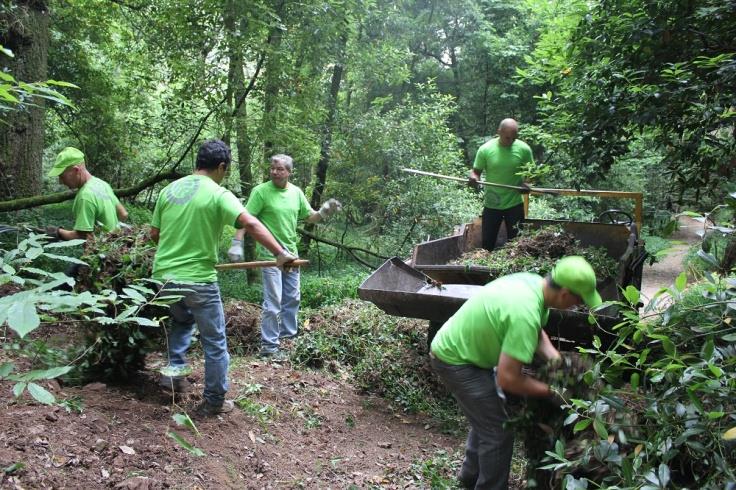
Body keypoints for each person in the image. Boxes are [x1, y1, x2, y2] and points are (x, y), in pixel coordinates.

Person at [430, 256, 602, 490]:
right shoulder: (525, 312)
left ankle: (469, 479)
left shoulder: (533, 285)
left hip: (468, 351)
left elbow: (537, 331)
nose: (576, 305)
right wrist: (555, 392)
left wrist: (557, 360)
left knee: (486, 415)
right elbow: (508, 378)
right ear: (564, 294)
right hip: (456, 360)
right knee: (498, 432)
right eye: (578, 300)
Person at [150, 140, 296, 416]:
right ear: (220, 167)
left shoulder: (169, 190)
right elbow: (250, 222)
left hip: (164, 279)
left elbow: (154, 234)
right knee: (215, 342)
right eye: (225, 170)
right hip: (198, 279)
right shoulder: (218, 193)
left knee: (181, 323)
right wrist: (280, 253)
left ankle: (172, 376)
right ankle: (214, 402)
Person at [228, 154, 341, 358]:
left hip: (291, 255)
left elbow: (310, 217)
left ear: (289, 172)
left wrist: (323, 211)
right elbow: (246, 219)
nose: (274, 172)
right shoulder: (261, 192)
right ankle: (269, 347)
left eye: (280, 169)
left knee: (293, 298)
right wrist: (237, 242)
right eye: (272, 168)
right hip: (270, 256)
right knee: (273, 303)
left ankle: (288, 340)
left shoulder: (296, 193)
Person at [469, 118, 534, 251]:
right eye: (507, 138)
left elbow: (531, 174)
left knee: (517, 246)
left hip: (514, 204)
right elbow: (476, 172)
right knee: (487, 245)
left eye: (514, 139)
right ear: (499, 132)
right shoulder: (485, 149)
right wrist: (473, 179)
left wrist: (527, 184)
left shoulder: (524, 149)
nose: (510, 142)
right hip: (492, 203)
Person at [46, 146, 128, 240]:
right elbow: (123, 214)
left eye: (62, 176)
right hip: (113, 250)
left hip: (98, 253)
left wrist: (58, 232)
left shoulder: (85, 196)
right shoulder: (102, 184)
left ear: (76, 170)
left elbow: (83, 236)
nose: (60, 181)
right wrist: (113, 235)